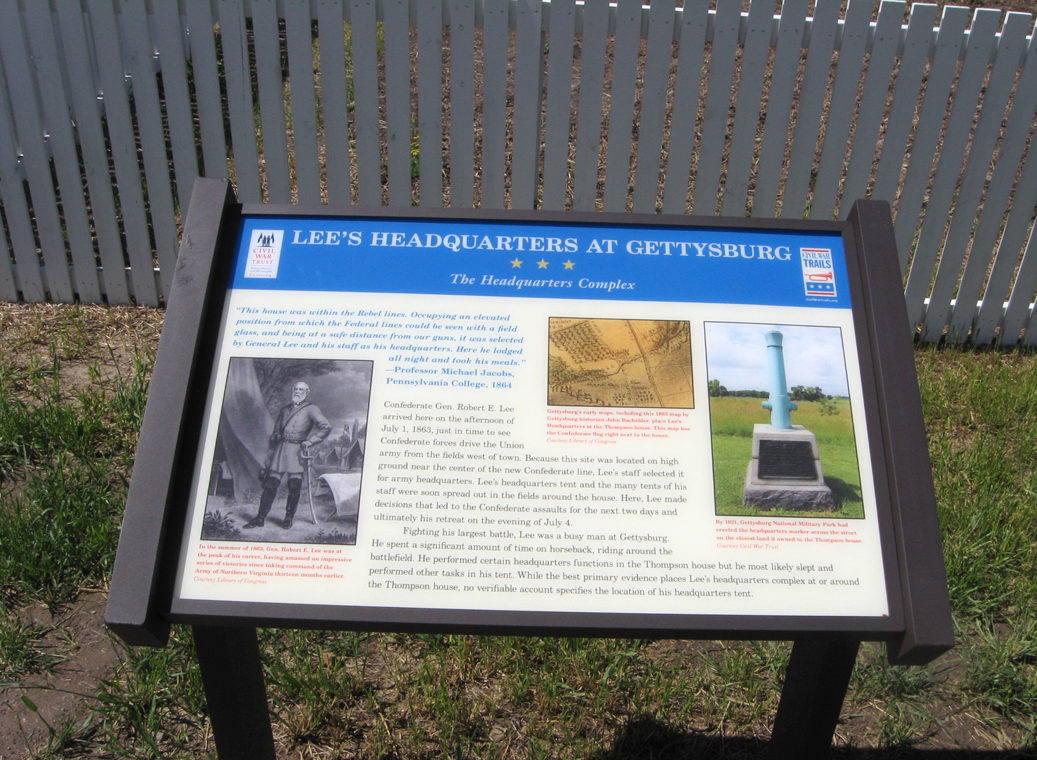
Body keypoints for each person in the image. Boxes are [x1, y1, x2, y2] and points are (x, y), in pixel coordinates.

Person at [244, 382, 332, 529]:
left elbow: (326, 427)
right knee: (270, 484)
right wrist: (276, 437)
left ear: (307, 391)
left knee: (294, 486)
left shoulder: (312, 409)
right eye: (296, 389)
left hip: (297, 451)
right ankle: (260, 518)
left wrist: (310, 442)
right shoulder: (284, 410)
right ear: (293, 391)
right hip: (280, 450)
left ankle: (288, 518)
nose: (298, 392)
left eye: (301, 390)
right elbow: (276, 431)